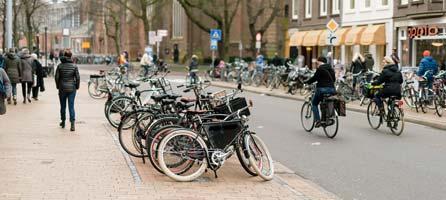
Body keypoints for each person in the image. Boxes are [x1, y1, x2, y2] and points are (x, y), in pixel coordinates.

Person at [304, 57, 336, 127]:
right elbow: (334, 79)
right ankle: (327, 118)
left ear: (319, 62)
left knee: (314, 103)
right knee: (325, 102)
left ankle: (318, 120)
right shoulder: (331, 69)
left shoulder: (320, 68)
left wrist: (307, 82)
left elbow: (315, 78)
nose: (316, 63)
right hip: (332, 89)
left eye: (317, 62)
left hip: (322, 89)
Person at [55, 50, 80, 132]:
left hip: (62, 88)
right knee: (71, 106)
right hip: (72, 88)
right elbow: (77, 77)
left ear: (64, 56)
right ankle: (72, 124)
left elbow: (57, 77)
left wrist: (58, 86)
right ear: (71, 56)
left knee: (63, 106)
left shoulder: (60, 66)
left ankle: (63, 121)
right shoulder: (74, 66)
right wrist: (77, 86)